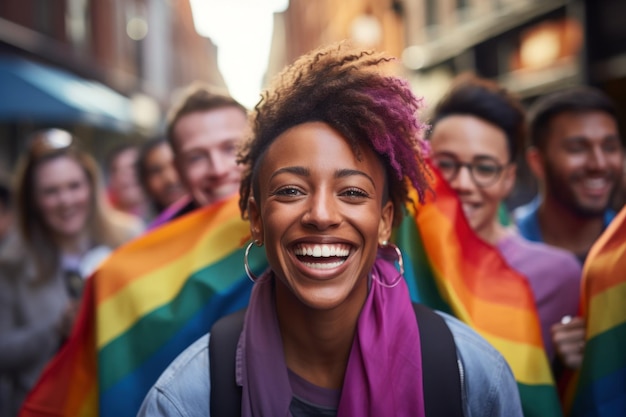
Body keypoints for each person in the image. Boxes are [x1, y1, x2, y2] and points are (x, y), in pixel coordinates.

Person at [138, 43, 522, 416]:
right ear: (256, 219)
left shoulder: (471, 376)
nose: (321, 215)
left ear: (385, 221)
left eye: (352, 192)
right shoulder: (185, 399)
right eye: (291, 191)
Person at [428, 74, 582, 363]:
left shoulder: (556, 276)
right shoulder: (395, 266)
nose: (462, 182)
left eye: (484, 168)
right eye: (445, 164)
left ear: (508, 179)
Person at [0, 129, 142, 417]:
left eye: (74, 186)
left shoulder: (130, 238)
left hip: (119, 400)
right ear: (32, 200)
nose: (65, 200)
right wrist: (56, 328)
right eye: (50, 191)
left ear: (91, 186)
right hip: (45, 404)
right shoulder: (10, 263)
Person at [514, 86, 624, 264]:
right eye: (577, 149)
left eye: (609, 147)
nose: (599, 164)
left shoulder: (622, 243)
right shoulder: (505, 249)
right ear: (537, 162)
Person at [148, 84, 249, 229]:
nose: (218, 170)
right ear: (178, 170)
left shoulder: (290, 224)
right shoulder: (158, 245)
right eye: (196, 158)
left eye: (232, 148)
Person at [136, 137, 187, 220]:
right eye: (156, 171)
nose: (171, 179)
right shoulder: (147, 230)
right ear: (145, 182)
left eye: (176, 165)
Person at [106, 143, 150, 223]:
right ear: (112, 180)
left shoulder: (165, 211)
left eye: (134, 167)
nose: (127, 174)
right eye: (118, 170)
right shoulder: (103, 219)